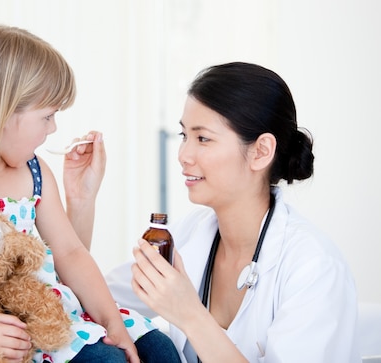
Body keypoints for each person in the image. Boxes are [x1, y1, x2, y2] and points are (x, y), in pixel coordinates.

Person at [0, 25, 180, 363]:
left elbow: (71, 252)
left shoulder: (35, 172)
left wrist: (110, 320)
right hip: (12, 328)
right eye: (47, 116)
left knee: (159, 348)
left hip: (57, 310)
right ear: (2, 112)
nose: (53, 128)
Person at [106, 62, 360, 362]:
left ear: (261, 151)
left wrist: (190, 314)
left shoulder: (314, 267)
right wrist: (81, 198)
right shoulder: (190, 234)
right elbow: (95, 299)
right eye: (184, 135)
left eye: (203, 138)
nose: (183, 155)